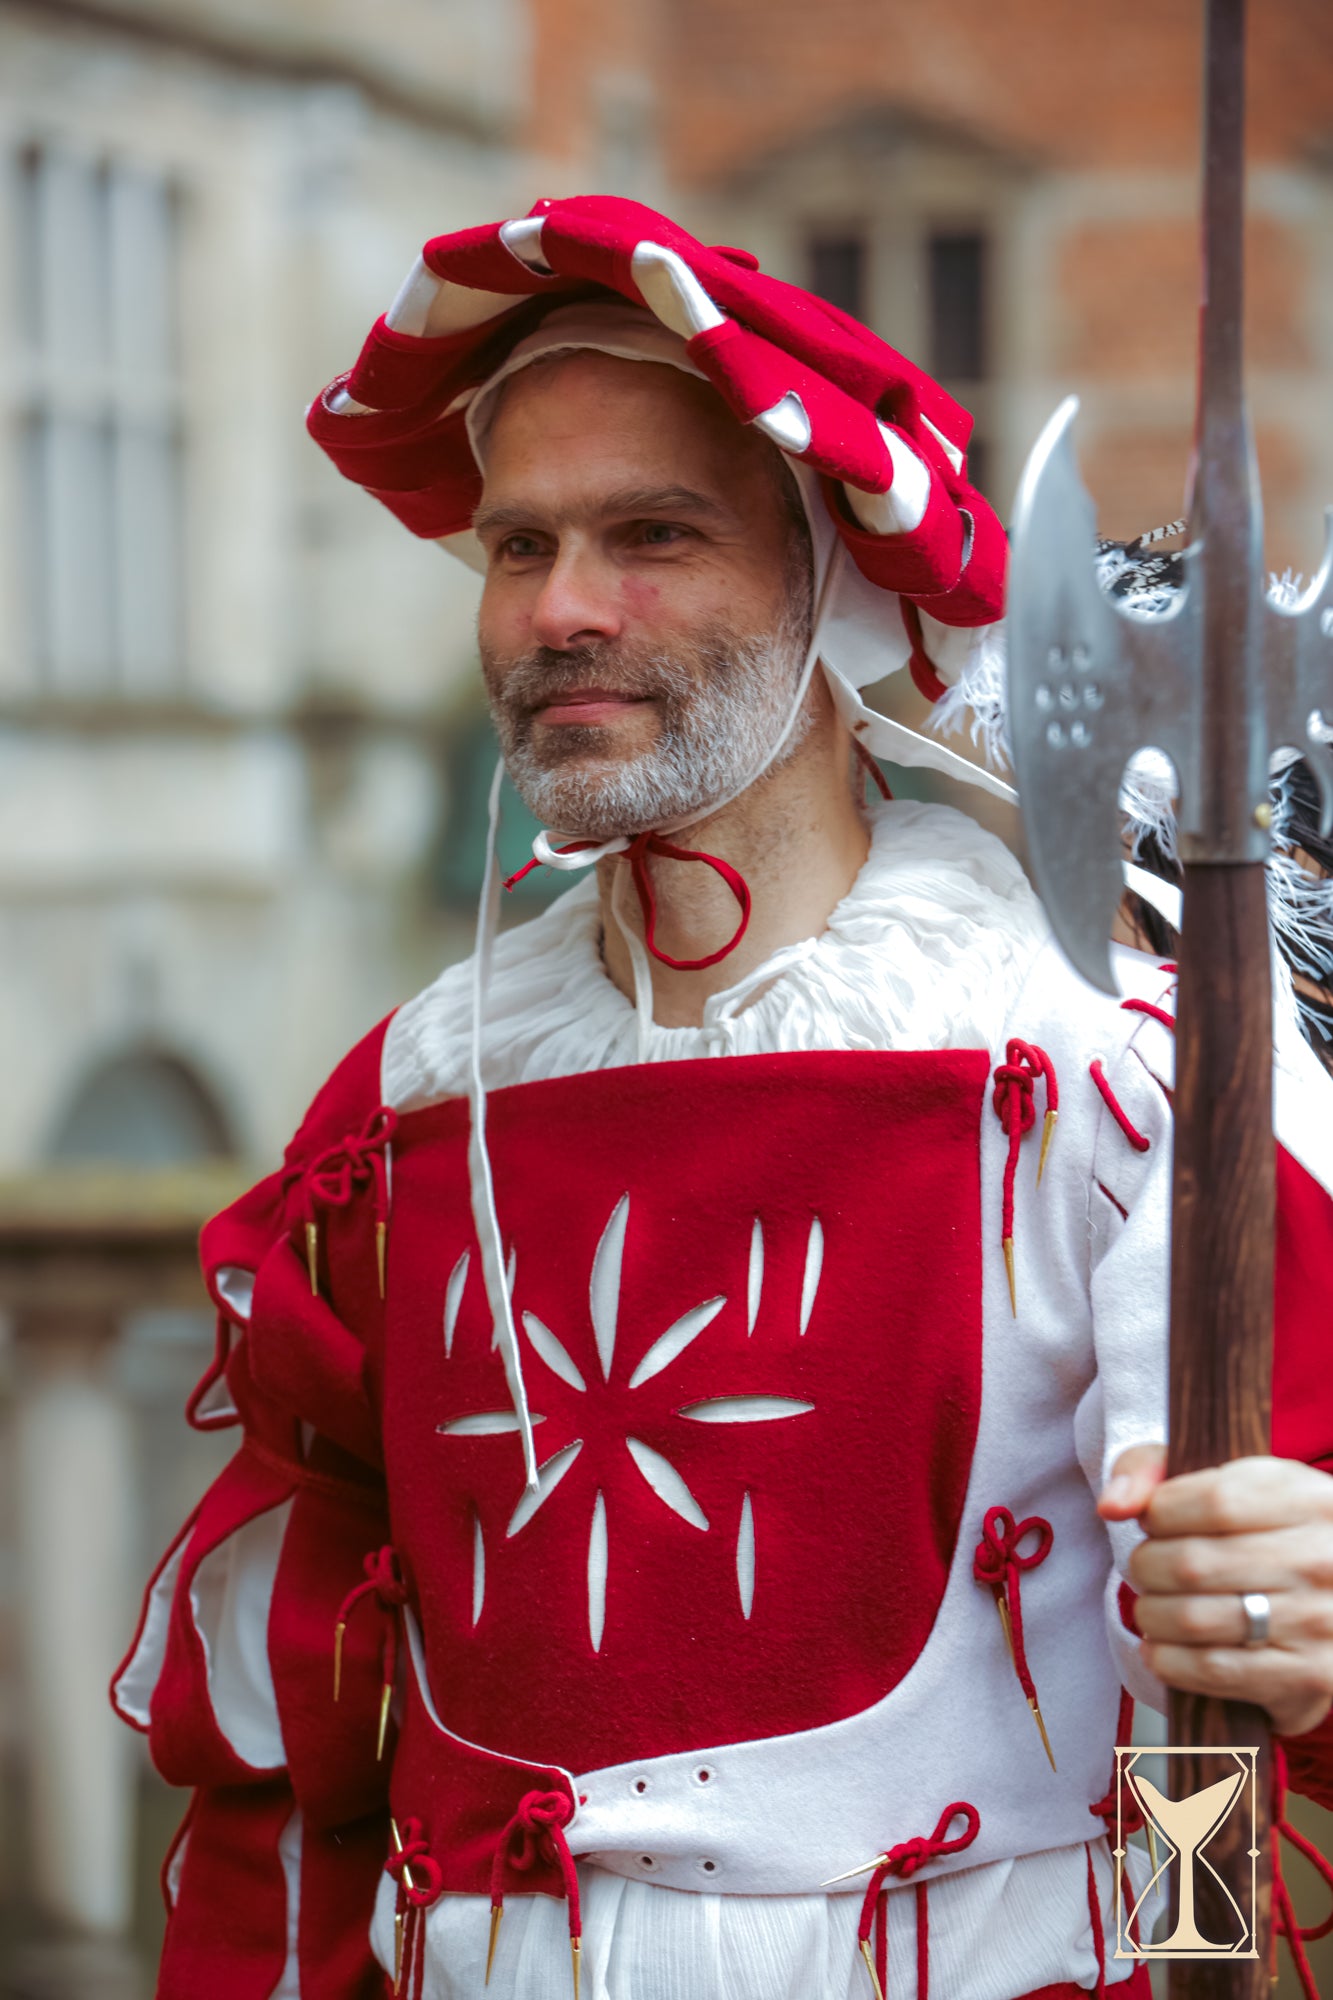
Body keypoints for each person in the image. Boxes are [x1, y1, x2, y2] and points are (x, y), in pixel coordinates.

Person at [113, 197, 1333, 2000]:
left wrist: (1278, 1687)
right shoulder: (409, 1106)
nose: (561, 610)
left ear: (832, 579)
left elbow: (1210, 1733)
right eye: (517, 544)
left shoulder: (1116, 1074)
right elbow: (300, 1733)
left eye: (652, 534)